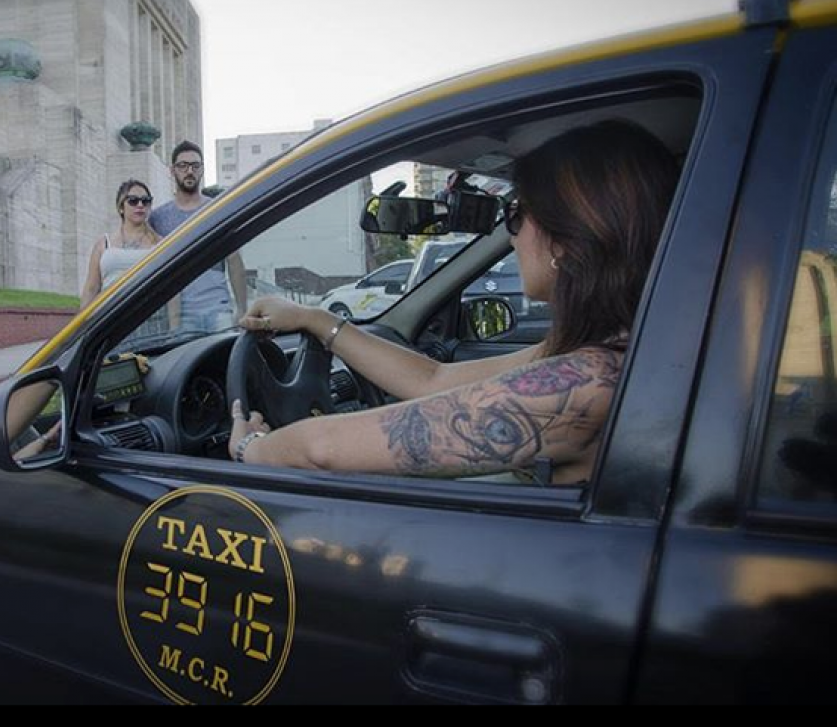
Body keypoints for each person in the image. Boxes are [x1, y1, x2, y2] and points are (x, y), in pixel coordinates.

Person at [229, 120, 681, 486]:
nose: (513, 234)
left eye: (518, 215)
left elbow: (321, 451)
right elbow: (433, 379)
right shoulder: (606, 353)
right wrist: (315, 318)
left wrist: (252, 449)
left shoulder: (587, 385)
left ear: (565, 241)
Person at [151, 141, 248, 332]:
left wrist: (242, 309)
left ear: (202, 169)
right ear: (172, 171)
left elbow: (234, 260)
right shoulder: (158, 217)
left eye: (195, 166)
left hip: (218, 308)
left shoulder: (218, 210)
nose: (189, 171)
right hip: (179, 314)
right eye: (183, 166)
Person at [81, 181, 179, 331]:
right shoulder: (103, 244)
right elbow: (91, 288)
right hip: (111, 323)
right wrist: (81, 330)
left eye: (145, 201)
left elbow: (171, 290)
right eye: (133, 201)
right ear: (121, 207)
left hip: (152, 324)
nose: (140, 205)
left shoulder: (162, 244)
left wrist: (174, 329)